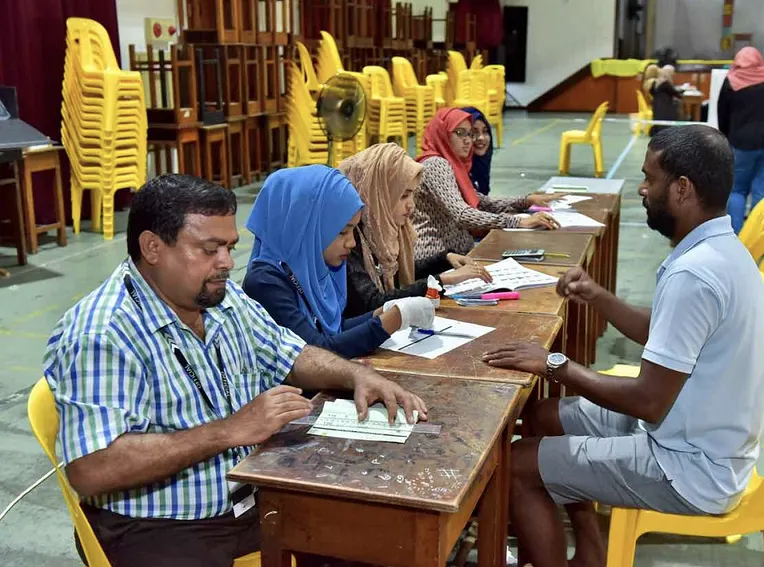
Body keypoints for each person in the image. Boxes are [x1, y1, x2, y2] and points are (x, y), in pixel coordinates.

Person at [43, 174, 428, 567]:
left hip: (249, 495)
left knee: (382, 537)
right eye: (210, 249)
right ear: (152, 247)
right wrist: (229, 430)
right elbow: (93, 468)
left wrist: (357, 375)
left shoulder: (222, 299)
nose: (227, 263)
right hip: (162, 524)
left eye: (229, 247)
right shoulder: (102, 333)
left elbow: (291, 353)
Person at [482, 125, 764, 567]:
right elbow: (664, 331)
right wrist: (597, 295)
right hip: (701, 436)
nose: (642, 189)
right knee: (543, 416)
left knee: (517, 467)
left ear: (682, 188)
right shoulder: (722, 250)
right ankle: (591, 550)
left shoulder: (694, 274)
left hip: (688, 467)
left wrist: (554, 364)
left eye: (650, 178)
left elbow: (648, 401)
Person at [242, 165, 436, 360]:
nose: (352, 243)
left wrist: (382, 312)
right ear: (307, 227)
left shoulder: (313, 268)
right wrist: (395, 318)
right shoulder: (265, 282)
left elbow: (335, 329)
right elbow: (318, 352)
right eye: (343, 232)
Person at [338, 143, 493, 316]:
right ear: (378, 194)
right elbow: (372, 303)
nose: (411, 205)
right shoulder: (347, 238)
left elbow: (400, 270)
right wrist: (441, 280)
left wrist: (445, 259)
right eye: (403, 195)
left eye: (412, 194)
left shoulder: (382, 229)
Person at [412, 107, 562, 262]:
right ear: (442, 133)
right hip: (437, 260)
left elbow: (482, 202)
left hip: (459, 254)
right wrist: (518, 222)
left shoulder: (453, 165)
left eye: (469, 134)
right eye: (459, 132)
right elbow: (462, 214)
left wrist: (526, 200)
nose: (468, 140)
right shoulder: (436, 164)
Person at [717, 46, 764, 234]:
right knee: (763, 192)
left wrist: (726, 141)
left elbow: (722, 115)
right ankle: (756, 234)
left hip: (742, 143)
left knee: (737, 190)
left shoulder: (732, 82)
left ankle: (736, 236)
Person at [461, 106, 493, 195]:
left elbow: (483, 199)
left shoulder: (481, 163)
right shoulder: (448, 170)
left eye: (485, 131)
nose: (481, 138)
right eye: (474, 132)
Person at [647, 65, 681, 136]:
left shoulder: (655, 82)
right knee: (677, 105)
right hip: (665, 107)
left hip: (656, 106)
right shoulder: (665, 83)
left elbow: (651, 92)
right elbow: (677, 94)